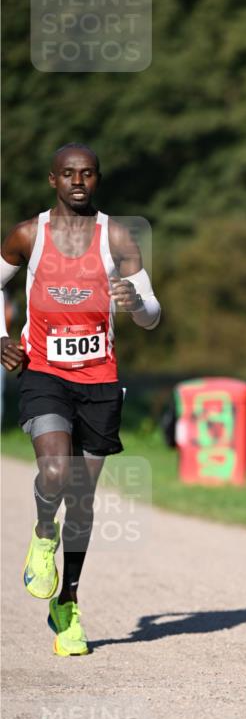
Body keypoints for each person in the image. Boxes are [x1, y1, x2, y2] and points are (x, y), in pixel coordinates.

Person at [0, 143, 160, 655]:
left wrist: (136, 302)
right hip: (44, 372)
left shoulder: (118, 237)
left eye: (87, 173)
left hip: (99, 379)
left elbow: (152, 314)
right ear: (53, 180)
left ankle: (67, 602)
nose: (77, 181)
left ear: (97, 179)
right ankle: (43, 532)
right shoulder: (29, 235)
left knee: (83, 498)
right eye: (68, 173)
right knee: (54, 472)